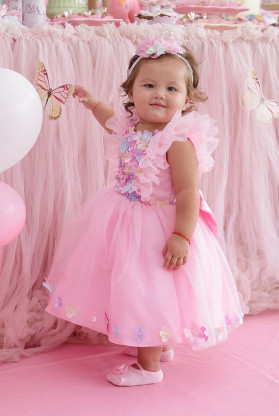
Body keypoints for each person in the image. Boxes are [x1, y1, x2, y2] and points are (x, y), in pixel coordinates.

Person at [44, 35, 244, 387]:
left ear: (187, 99)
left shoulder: (178, 143)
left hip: (159, 226)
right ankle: (158, 342)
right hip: (124, 216)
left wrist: (181, 235)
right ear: (131, 91)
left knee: (149, 290)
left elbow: (188, 193)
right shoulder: (132, 127)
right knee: (138, 287)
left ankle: (148, 368)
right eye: (149, 85)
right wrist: (92, 103)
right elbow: (111, 120)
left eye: (171, 88)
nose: (159, 94)